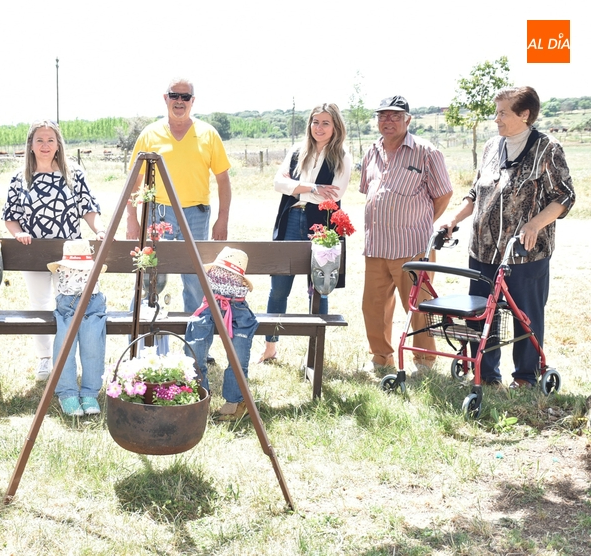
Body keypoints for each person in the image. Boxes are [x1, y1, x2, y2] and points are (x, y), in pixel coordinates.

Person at [441, 86, 575, 388]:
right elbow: (476, 192)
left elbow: (565, 196)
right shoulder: (491, 146)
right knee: (480, 312)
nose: (496, 118)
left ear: (523, 114)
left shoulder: (547, 148)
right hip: (483, 250)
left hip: (526, 252)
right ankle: (485, 374)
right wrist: (453, 219)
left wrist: (535, 224)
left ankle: (526, 376)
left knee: (525, 315)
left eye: (502, 112)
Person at [3, 120, 107, 381]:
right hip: (34, 253)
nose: (45, 145)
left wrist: (100, 230)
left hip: (71, 256)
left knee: (71, 306)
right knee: (40, 305)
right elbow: (10, 217)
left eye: (50, 140)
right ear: (30, 146)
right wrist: (19, 234)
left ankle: (70, 359)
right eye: (39, 140)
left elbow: (89, 209)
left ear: (59, 144)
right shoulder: (20, 178)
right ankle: (45, 359)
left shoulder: (74, 175)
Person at [360, 95, 453, 373]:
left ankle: (424, 361)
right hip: (376, 245)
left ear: (408, 120)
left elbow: (443, 194)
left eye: (396, 116)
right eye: (383, 116)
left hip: (413, 247)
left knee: (419, 308)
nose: (388, 121)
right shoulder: (372, 151)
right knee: (373, 307)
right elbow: (370, 191)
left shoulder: (426, 151)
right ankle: (381, 358)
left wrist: (420, 222)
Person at [126, 78, 232, 314]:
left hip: (197, 214)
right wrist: (131, 218)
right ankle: (140, 337)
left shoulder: (209, 134)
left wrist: (222, 218)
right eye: (175, 95)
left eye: (186, 97)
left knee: (195, 279)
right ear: (165, 98)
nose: (180, 101)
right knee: (150, 275)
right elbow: (135, 181)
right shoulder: (149, 134)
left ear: (193, 101)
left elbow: (223, 179)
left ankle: (194, 342)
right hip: (158, 211)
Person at [259, 103, 352, 364]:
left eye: (325, 123)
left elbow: (336, 193)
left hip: (321, 223)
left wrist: (295, 187)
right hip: (291, 218)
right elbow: (278, 183)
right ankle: (270, 348)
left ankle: (315, 353)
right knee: (278, 288)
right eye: (315, 122)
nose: (319, 128)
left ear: (336, 127)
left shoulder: (342, 156)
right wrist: (312, 187)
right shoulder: (297, 151)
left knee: (318, 289)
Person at [185, 247, 257, 421]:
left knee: (238, 357)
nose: (224, 278)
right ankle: (199, 397)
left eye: (230, 276)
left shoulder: (239, 307)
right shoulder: (209, 301)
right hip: (210, 304)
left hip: (237, 308)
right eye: (219, 274)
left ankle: (235, 402)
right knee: (195, 350)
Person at [47, 239, 107, 416]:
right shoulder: (62, 270)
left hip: (93, 304)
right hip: (67, 305)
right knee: (65, 347)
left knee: (93, 346)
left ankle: (90, 393)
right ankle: (67, 393)